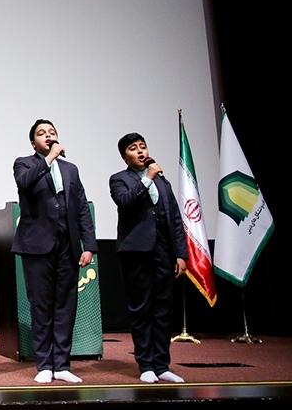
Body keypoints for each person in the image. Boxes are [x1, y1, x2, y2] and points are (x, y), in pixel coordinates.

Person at [12, 119, 96, 384]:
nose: (48, 136)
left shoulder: (71, 169)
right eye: (42, 133)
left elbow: (81, 207)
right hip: (37, 246)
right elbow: (25, 183)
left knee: (65, 306)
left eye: (52, 132)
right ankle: (44, 364)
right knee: (41, 306)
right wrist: (48, 159)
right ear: (33, 142)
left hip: (67, 244)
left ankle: (62, 364)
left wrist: (89, 245)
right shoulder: (24, 164)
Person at [109, 132, 189, 384]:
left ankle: (162, 364)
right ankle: (146, 365)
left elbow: (175, 218)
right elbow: (125, 202)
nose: (141, 151)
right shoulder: (119, 179)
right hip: (136, 252)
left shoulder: (163, 182)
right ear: (125, 156)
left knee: (163, 310)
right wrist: (147, 178)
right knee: (141, 309)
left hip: (164, 251)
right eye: (134, 148)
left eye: (143, 146)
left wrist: (181, 253)